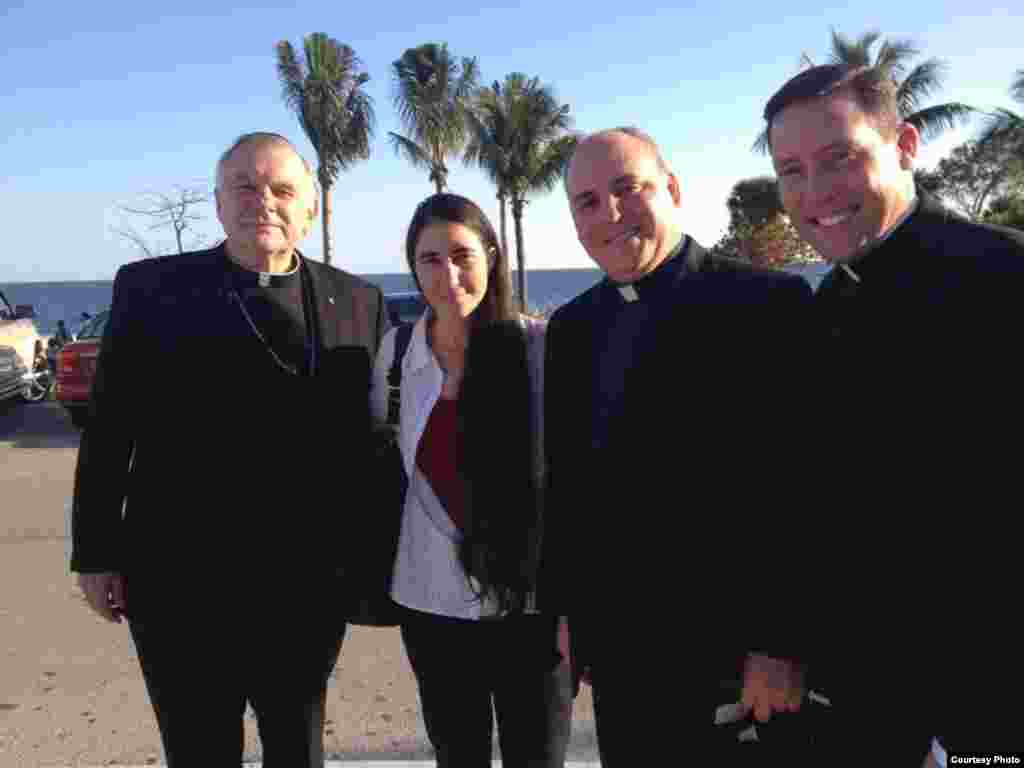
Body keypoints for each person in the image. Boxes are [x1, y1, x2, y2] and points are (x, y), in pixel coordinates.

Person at [71, 132, 390, 768]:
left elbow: (372, 443)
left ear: (310, 209)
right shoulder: (151, 289)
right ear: (219, 205)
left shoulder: (358, 302)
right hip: (178, 581)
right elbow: (109, 430)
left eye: (281, 189)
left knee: (296, 747)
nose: (262, 201)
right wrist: (96, 553)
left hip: (305, 584)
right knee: (197, 749)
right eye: (244, 187)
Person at [762, 64, 1024, 763]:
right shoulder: (829, 305)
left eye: (839, 158)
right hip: (865, 706)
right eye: (790, 170)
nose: (813, 193)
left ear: (904, 144)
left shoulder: (1005, 277)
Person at [537, 126, 818, 765]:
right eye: (586, 201)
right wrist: (568, 622)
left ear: (672, 189)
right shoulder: (573, 327)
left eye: (627, 188)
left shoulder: (765, 304)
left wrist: (783, 645)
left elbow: (804, 489)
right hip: (622, 657)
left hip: (740, 662)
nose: (608, 214)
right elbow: (569, 481)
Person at [369, 193, 572, 768]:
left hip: (528, 607)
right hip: (427, 601)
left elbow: (570, 484)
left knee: (536, 756)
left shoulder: (539, 346)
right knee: (457, 753)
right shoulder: (396, 351)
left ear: (490, 256)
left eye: (462, 254)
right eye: (430, 259)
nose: (449, 274)